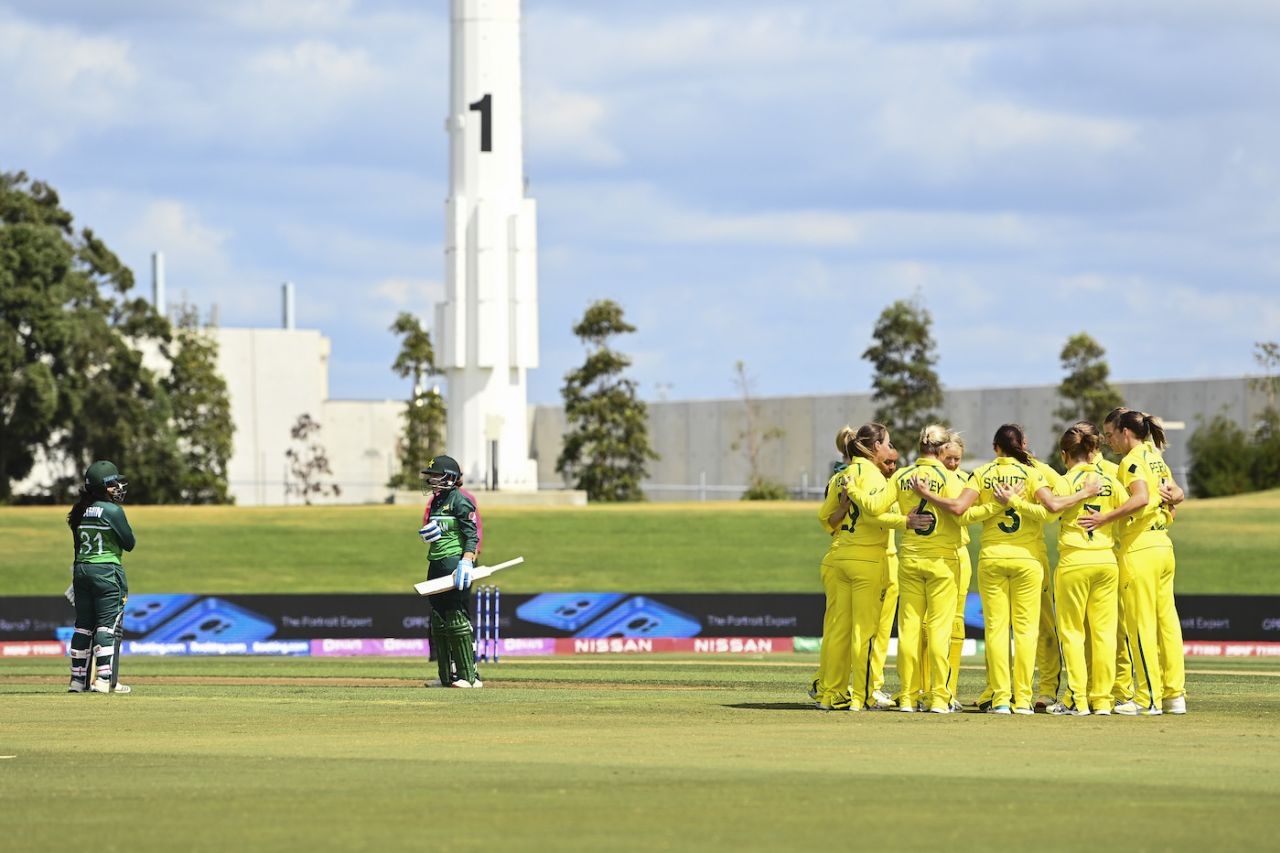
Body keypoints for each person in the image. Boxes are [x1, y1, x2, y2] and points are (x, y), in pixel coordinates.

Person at [911, 424, 1098, 714]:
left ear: (995, 447)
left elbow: (961, 511)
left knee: (996, 631)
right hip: (1028, 559)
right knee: (1026, 632)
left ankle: (1000, 698)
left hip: (993, 557)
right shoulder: (1033, 473)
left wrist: (929, 495)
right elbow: (1052, 508)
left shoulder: (983, 473)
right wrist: (1083, 494)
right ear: (1021, 445)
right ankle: (1022, 699)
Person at [1081, 411, 1181, 715]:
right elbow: (1176, 495)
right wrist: (1174, 498)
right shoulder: (1155, 456)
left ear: (1126, 432)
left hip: (1140, 547)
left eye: (1110, 435)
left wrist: (1104, 518)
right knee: (1167, 624)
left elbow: (1139, 498)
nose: (1108, 441)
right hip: (1163, 543)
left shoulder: (1133, 460)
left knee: (1140, 625)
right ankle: (1174, 695)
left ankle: (1146, 698)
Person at [891, 425, 992, 713]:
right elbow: (962, 512)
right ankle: (938, 696)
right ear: (941, 448)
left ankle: (908, 697)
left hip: (910, 557)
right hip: (943, 560)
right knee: (940, 629)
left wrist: (903, 521)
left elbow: (875, 510)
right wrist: (995, 506)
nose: (953, 462)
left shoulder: (901, 476)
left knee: (909, 629)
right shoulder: (950, 479)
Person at [813, 423, 897, 711]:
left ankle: (831, 694)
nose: (890, 448)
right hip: (868, 558)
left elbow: (826, 520)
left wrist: (846, 507)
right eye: (887, 443)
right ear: (875, 448)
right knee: (866, 632)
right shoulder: (874, 476)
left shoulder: (840, 477)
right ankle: (863, 695)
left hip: (839, 557)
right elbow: (876, 515)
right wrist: (906, 521)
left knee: (838, 631)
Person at [1047, 423, 1128, 716]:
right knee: (1105, 633)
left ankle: (1078, 700)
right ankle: (1103, 700)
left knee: (1072, 633)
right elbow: (1132, 505)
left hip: (1074, 560)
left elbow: (1052, 508)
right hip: (1106, 560)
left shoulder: (1066, 481)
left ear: (1065, 453)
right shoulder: (1108, 479)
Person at [66, 460, 134, 694]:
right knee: (106, 626)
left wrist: (76, 576)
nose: (117, 487)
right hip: (107, 572)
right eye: (113, 483)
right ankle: (104, 681)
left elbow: (78, 548)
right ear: (102, 486)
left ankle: (77, 682)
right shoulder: (113, 511)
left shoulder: (78, 510)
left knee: (83, 627)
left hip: (81, 571)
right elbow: (129, 543)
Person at [417, 455, 483, 688]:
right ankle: (447, 677)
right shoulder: (437, 501)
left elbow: (472, 535)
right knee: (439, 619)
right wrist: (430, 534)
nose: (432, 480)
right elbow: (440, 529)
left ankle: (470, 677)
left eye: (436, 475)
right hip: (436, 561)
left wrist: (466, 560)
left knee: (456, 618)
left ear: (450, 477)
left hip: (455, 563)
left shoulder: (460, 501)